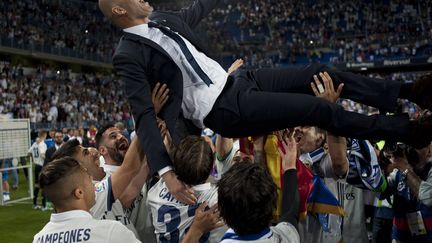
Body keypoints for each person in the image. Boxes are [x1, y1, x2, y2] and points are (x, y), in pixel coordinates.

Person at [51, 136, 148, 237]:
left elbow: (128, 196)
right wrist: (143, 127)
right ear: (78, 168)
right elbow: (129, 167)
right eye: (86, 153)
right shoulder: (93, 194)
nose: (94, 151)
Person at [33, 157, 140, 243]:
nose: (94, 184)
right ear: (79, 193)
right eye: (89, 180)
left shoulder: (39, 238)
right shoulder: (110, 232)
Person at [216, 133, 300, 242]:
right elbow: (290, 213)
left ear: (222, 212)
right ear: (272, 204)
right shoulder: (287, 237)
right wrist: (290, 167)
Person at [29, 130, 48, 210]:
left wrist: (34, 159)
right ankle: (44, 206)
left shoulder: (34, 143)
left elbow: (29, 152)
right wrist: (48, 159)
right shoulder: (42, 144)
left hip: (36, 165)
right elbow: (42, 155)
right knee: (43, 185)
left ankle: (34, 203)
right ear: (44, 135)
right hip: (41, 166)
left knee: (37, 185)